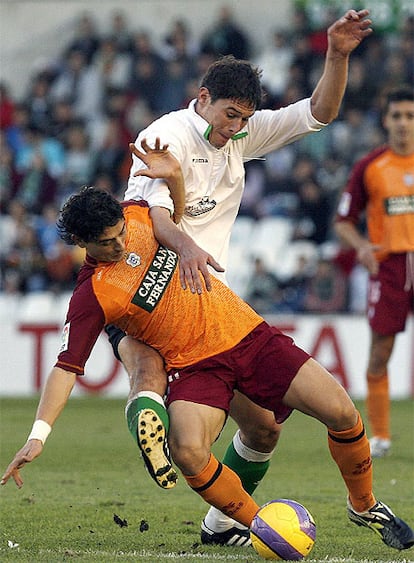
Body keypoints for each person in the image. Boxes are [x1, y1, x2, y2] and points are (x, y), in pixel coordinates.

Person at [2, 186, 413, 554]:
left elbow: (180, 209)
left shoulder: (141, 213)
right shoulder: (93, 294)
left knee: (340, 413)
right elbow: (65, 367)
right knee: (187, 451)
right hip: (194, 369)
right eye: (108, 243)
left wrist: (174, 178)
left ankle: (364, 505)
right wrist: (38, 436)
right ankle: (261, 525)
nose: (121, 244)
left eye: (120, 232)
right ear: (81, 243)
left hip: (249, 336)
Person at [106, 9, 374, 546]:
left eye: (245, 119)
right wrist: (188, 248)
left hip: (210, 305)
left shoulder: (240, 134)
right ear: (202, 97)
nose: (236, 127)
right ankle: (155, 421)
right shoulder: (166, 136)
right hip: (150, 286)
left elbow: (316, 112)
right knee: (149, 368)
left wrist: (336, 55)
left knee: (264, 425)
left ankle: (220, 524)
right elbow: (155, 216)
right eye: (230, 115)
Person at [334, 85, 414, 458]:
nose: (403, 123)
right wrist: (362, 246)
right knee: (380, 352)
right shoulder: (371, 166)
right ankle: (380, 436)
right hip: (390, 268)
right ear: (385, 121)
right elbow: (343, 221)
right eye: (397, 116)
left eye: (410, 116)